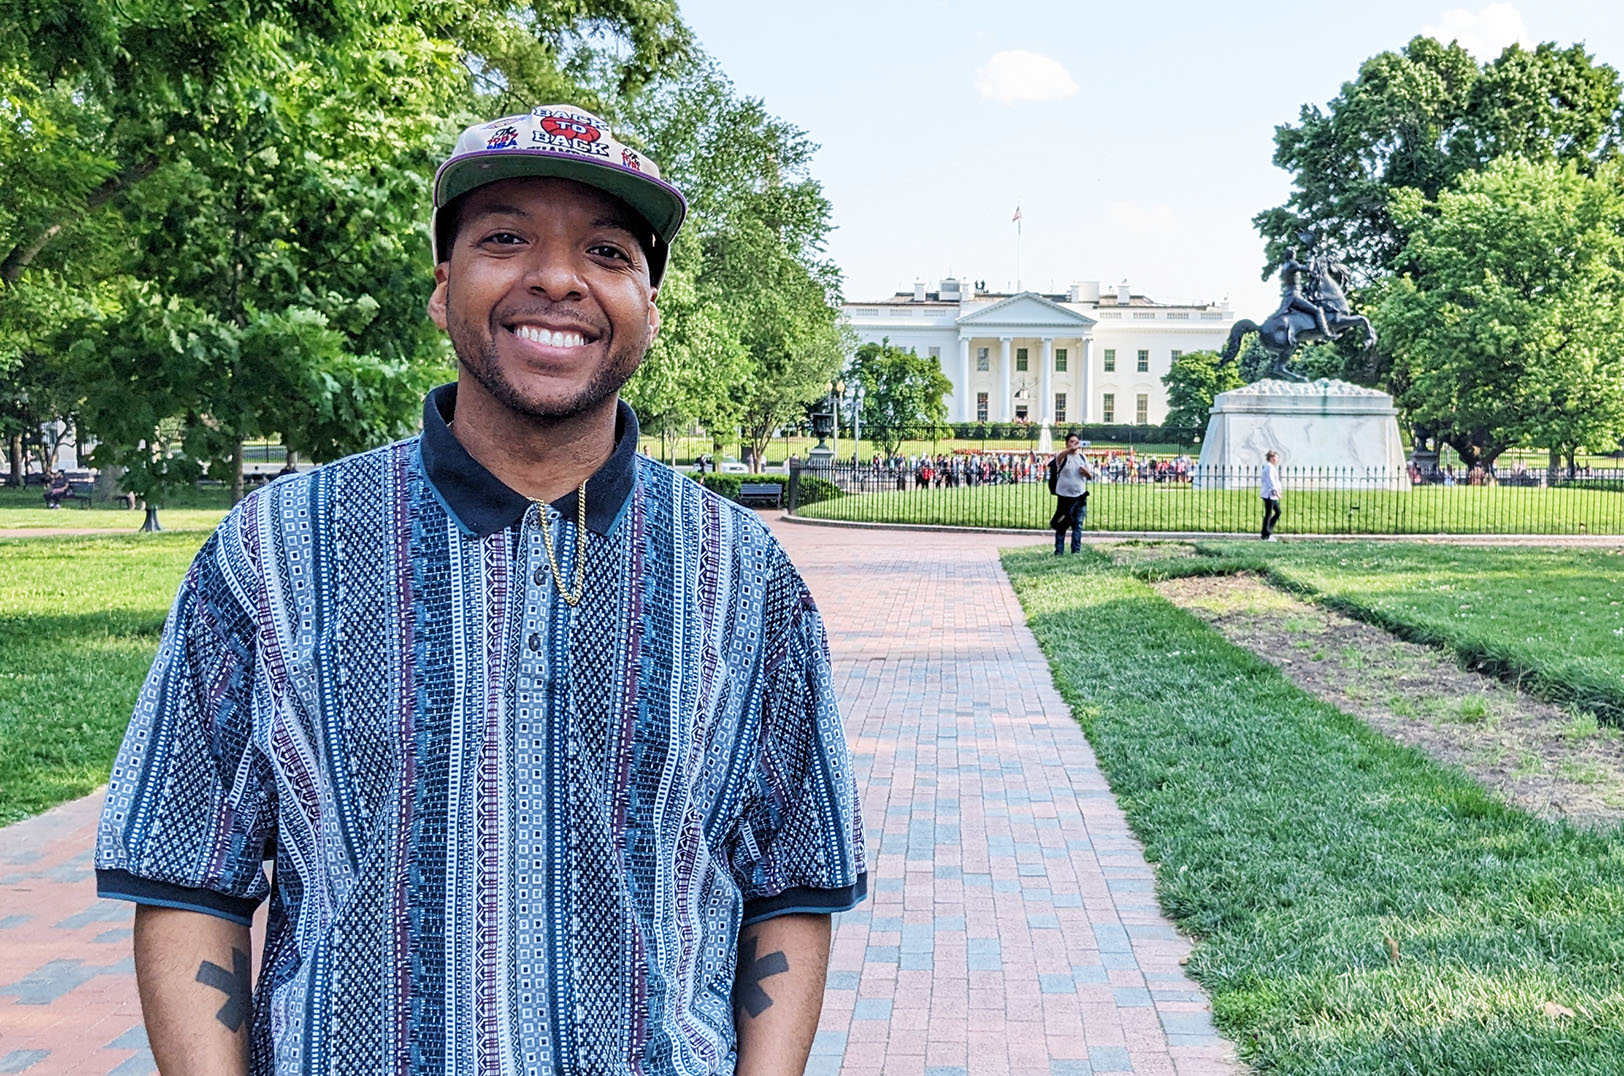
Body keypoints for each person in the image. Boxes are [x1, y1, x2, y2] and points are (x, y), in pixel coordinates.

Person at [95, 104, 867, 1076]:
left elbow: (789, 883)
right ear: (442, 284)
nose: (556, 276)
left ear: (650, 308)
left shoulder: (745, 576)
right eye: (506, 237)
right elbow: (184, 873)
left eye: (608, 250)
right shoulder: (274, 550)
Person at [1047, 433, 1098, 555]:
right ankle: (1059, 551)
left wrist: (1086, 473)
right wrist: (1069, 450)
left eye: (1076, 441)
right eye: (1071, 441)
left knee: (1078, 524)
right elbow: (1059, 458)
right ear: (1066, 444)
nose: (1074, 443)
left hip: (1079, 496)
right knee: (1062, 524)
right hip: (1064, 496)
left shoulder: (1082, 458)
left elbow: (1090, 476)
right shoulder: (1063, 457)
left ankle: (1076, 550)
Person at [1260, 449, 1283, 540]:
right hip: (1270, 495)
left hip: (1271, 495)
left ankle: (1267, 531)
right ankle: (1266, 534)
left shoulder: (1270, 467)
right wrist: (1275, 491)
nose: (1277, 460)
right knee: (1269, 514)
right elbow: (1270, 480)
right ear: (1271, 458)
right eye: (1276, 458)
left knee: (1278, 512)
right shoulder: (1269, 467)